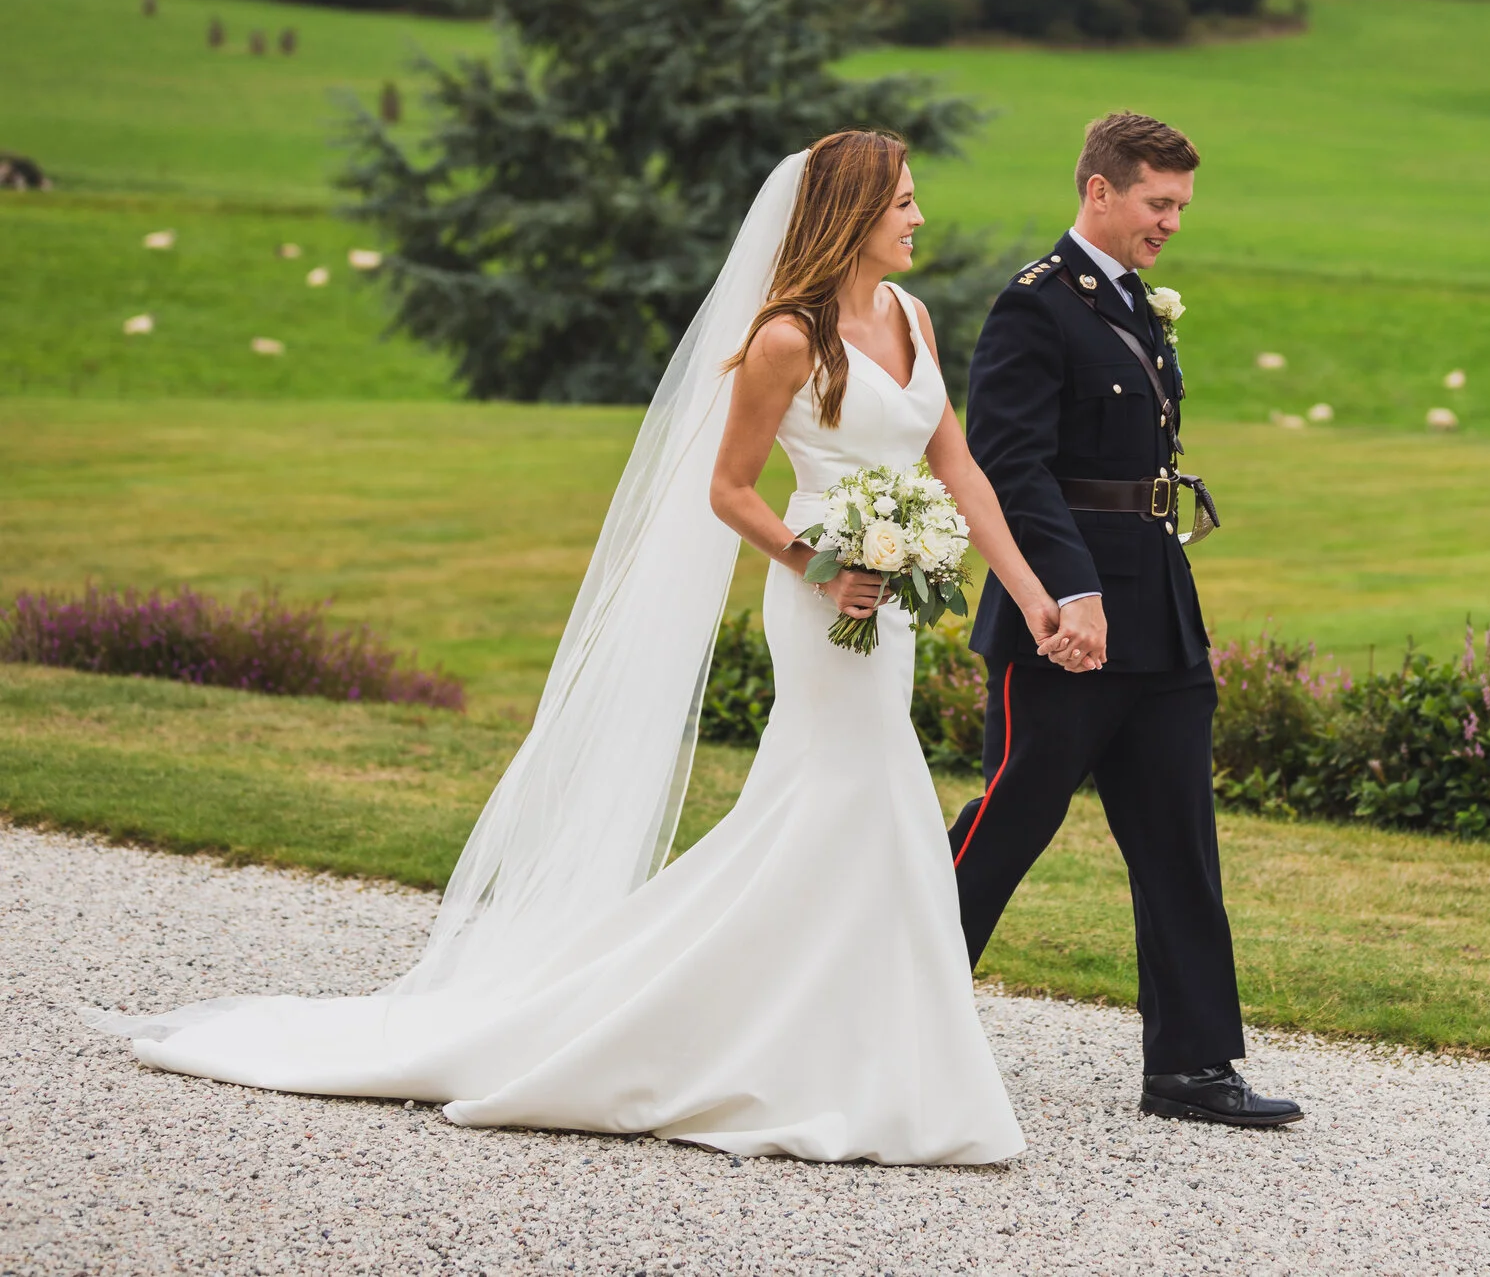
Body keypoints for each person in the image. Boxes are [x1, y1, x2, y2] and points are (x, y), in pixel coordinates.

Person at [88, 132, 1068, 1165]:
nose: (919, 218)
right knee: (865, 798)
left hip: (893, 607)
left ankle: (842, 1048)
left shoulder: (911, 316)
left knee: (840, 806)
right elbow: (729, 487)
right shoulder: (788, 337)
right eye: (904, 202)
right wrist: (816, 561)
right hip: (823, 600)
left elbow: (959, 469)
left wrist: (1036, 595)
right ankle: (816, 1055)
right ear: (853, 213)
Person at [949, 111, 1303, 1128]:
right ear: (1100, 191)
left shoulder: (1136, 304)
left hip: (1158, 612)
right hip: (1064, 620)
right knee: (1008, 824)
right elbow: (1008, 465)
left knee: (1179, 837)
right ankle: (883, 1011)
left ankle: (1191, 1066)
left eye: (1182, 206)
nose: (1172, 223)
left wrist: (1139, 595)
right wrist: (1074, 592)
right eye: (1159, 202)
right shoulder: (1033, 308)